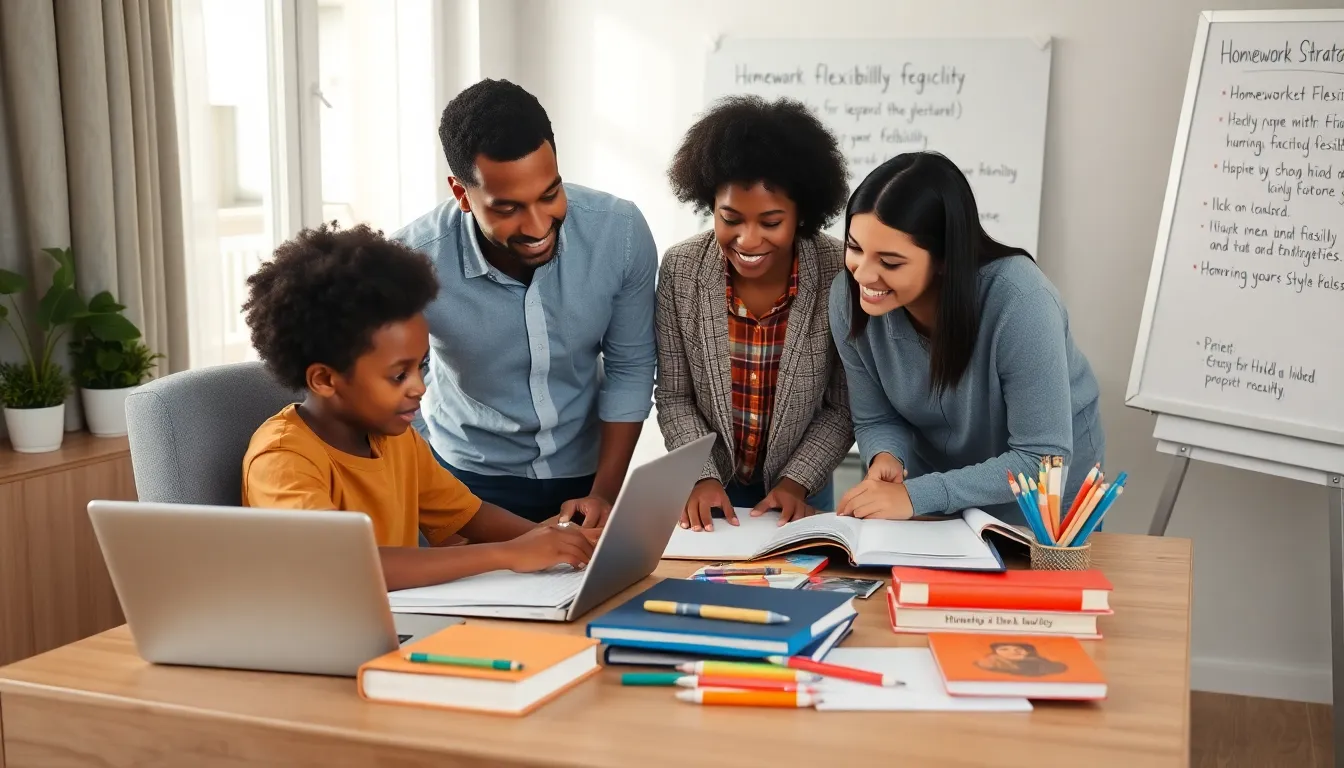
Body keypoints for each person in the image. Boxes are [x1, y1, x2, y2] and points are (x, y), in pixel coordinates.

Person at [240, 223, 599, 592]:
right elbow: (347, 565)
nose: (419, 387)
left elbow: (470, 515)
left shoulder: (395, 437)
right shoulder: (282, 460)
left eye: (421, 366)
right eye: (399, 376)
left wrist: (565, 540)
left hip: (400, 620)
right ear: (325, 380)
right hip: (326, 640)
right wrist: (506, 554)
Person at [392, 79, 657, 527]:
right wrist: (429, 485)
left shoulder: (620, 233)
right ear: (462, 194)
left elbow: (630, 367)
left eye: (550, 194)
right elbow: (393, 386)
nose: (538, 225)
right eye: (509, 208)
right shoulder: (412, 262)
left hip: (590, 476)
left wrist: (604, 495)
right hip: (465, 480)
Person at [832, 152, 1104, 526]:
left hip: (1044, 507)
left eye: (890, 262)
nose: (863, 274)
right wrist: (886, 457)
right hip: (936, 502)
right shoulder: (848, 299)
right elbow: (877, 417)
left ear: (944, 258)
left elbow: (1042, 460)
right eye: (855, 248)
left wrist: (917, 494)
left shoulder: (1022, 302)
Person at [657, 95, 853, 532]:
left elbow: (842, 407)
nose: (747, 240)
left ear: (802, 213)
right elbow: (674, 396)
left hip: (799, 491)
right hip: (706, 488)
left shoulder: (840, 272)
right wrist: (702, 475)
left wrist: (795, 482)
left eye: (770, 222)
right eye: (730, 219)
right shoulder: (680, 270)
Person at [974, 642, 1068, 677]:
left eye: (1018, 649)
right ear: (995, 653)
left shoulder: (1043, 664)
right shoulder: (990, 664)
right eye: (1004, 649)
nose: (1013, 652)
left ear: (1027, 652)